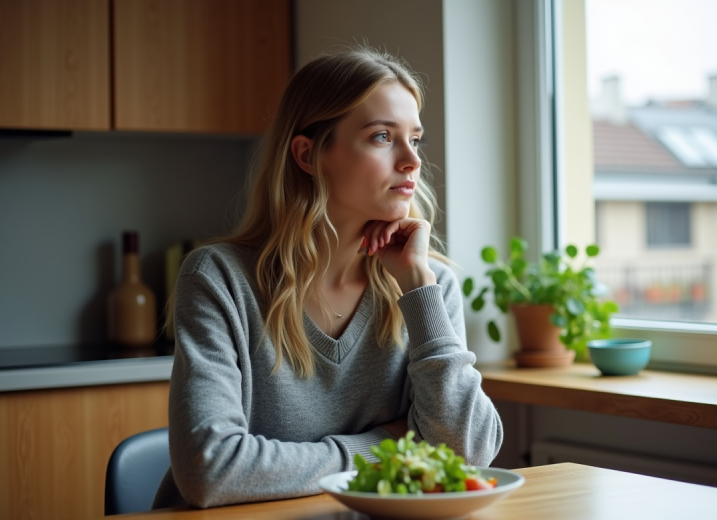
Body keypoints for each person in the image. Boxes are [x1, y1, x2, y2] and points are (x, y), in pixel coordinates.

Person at [153, 47, 503, 509]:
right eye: (382, 136)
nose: (411, 161)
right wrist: (390, 447)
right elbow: (210, 471)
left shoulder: (428, 285)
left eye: (414, 139)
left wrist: (418, 289)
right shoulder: (220, 279)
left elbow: (469, 453)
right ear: (308, 154)